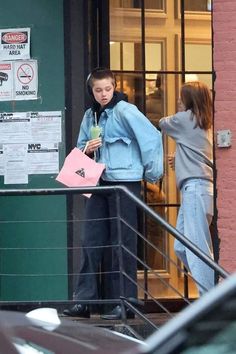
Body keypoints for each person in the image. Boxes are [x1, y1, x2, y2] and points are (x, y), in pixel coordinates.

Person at [63, 67, 163, 319]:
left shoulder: (126, 111)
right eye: (98, 90)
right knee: (90, 241)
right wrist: (87, 148)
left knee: (123, 242)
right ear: (92, 91)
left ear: (114, 86)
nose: (104, 94)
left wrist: (151, 175)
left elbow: (152, 139)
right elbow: (78, 150)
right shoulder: (90, 116)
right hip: (98, 183)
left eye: (108, 88)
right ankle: (84, 301)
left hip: (124, 184)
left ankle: (125, 302)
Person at [159, 81, 214, 296]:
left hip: (195, 191)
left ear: (189, 100)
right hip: (201, 189)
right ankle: (210, 289)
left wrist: (181, 112)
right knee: (181, 247)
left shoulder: (184, 119)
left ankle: (209, 301)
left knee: (196, 249)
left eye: (182, 97)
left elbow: (163, 123)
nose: (179, 100)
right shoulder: (205, 122)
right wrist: (181, 158)